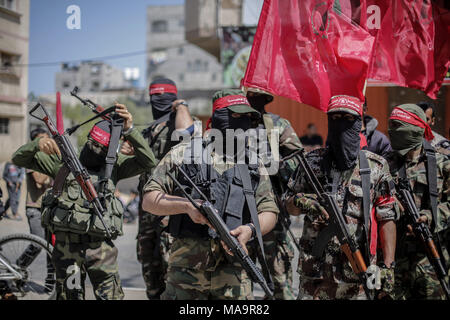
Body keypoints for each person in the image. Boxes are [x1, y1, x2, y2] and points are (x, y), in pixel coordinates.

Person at [142, 89, 279, 300]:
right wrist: (187, 207)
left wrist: (250, 230)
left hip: (234, 275)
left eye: (247, 119)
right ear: (219, 116)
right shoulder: (184, 153)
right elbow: (150, 200)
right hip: (185, 274)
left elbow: (269, 211)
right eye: (236, 116)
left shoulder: (253, 162)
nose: (242, 124)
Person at [12, 103, 156, 300]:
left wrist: (130, 130)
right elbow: (18, 159)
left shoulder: (114, 167)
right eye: (92, 143)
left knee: (110, 297)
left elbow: (149, 162)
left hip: (100, 251)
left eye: (101, 147)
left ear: (110, 150)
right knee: (70, 296)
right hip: (66, 250)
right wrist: (37, 144)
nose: (94, 148)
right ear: (87, 138)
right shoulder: (65, 162)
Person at [284, 95, 398, 300]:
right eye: (334, 118)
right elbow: (288, 205)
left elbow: (387, 218)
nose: (340, 124)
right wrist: (301, 200)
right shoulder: (312, 162)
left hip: (357, 275)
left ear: (359, 123)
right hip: (315, 276)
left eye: (347, 119)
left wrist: (388, 266)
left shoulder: (376, 167)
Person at [135, 78, 195, 299]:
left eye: (164, 97)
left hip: (171, 209)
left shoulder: (180, 120)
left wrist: (181, 105)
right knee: (150, 270)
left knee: (173, 271)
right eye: (154, 96)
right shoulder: (147, 131)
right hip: (147, 213)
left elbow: (186, 132)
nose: (158, 101)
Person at [387, 104, 450, 300]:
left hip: (432, 258)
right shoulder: (384, 165)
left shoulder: (442, 163)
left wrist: (430, 217)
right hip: (396, 260)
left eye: (401, 126)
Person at [245, 86, 302, 300]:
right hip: (237, 214)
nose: (253, 100)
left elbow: (298, 163)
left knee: (279, 281)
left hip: (272, 212)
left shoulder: (277, 125)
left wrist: (275, 163)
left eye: (257, 96)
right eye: (249, 96)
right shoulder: (229, 125)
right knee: (240, 284)